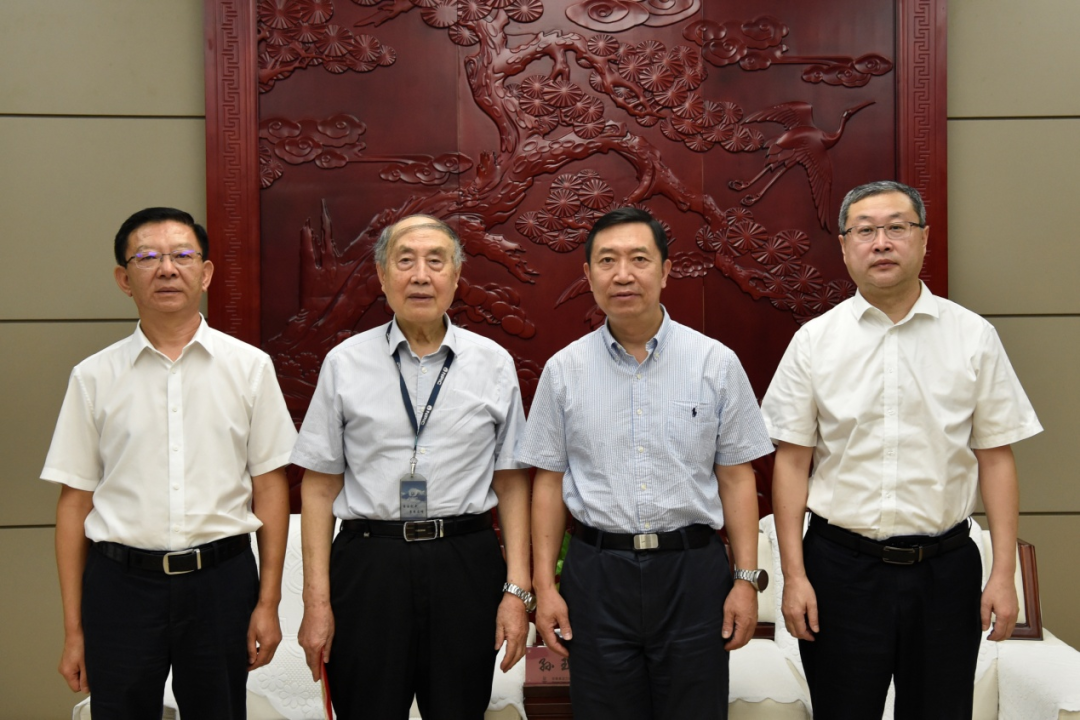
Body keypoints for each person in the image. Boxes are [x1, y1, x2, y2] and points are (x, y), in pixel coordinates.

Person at [762, 180, 1043, 719]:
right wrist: (794, 577)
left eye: (897, 227)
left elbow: (996, 458)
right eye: (865, 231)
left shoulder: (972, 336)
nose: (882, 242)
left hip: (946, 571)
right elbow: (792, 464)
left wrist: (1003, 575)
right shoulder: (815, 341)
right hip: (840, 570)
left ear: (924, 238)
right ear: (845, 246)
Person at [518, 207, 773, 719]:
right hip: (597, 574)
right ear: (588, 275)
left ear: (665, 270)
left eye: (639, 259)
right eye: (607, 261)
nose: (623, 274)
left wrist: (745, 580)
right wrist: (545, 587)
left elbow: (736, 478)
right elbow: (547, 483)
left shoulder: (715, 362)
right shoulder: (564, 370)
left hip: (692, 573)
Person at [42, 207, 297, 719]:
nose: (166, 269)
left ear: (205, 273)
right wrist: (74, 629)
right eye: (147, 257)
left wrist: (268, 603)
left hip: (221, 583)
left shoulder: (250, 368)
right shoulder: (93, 377)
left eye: (182, 255)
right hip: (120, 586)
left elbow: (271, 489)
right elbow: (74, 503)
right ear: (124, 279)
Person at [292, 214, 532, 719]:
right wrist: (316, 601)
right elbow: (317, 489)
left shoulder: (492, 362)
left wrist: (516, 591)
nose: (421, 275)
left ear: (456, 277)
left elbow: (511, 484)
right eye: (405, 261)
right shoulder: (344, 363)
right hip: (370, 565)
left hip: (464, 563)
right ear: (382, 277)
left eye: (435, 261)